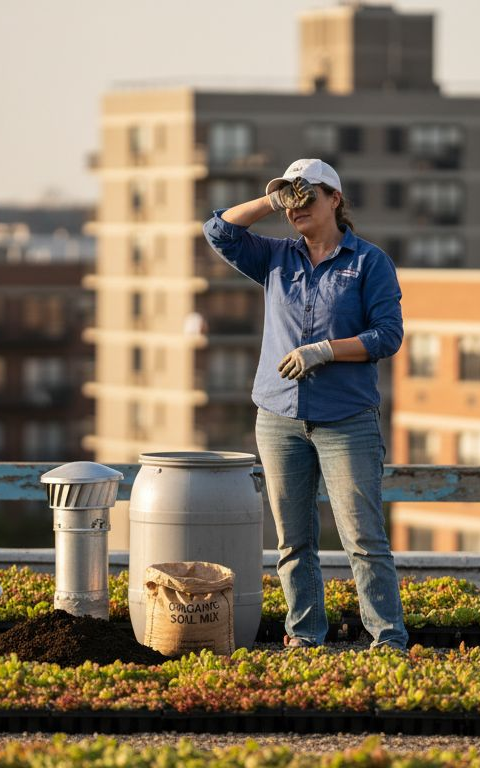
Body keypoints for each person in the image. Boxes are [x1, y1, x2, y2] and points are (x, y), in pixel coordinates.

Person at [202, 158, 408, 650]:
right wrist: (272, 199)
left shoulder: (369, 262)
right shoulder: (276, 257)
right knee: (293, 541)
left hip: (346, 421)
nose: (297, 208)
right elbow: (218, 230)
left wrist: (327, 350)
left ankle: (387, 638)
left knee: (363, 538)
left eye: (306, 196)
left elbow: (388, 335)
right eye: (288, 200)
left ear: (335, 199)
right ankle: (305, 635)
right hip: (278, 418)